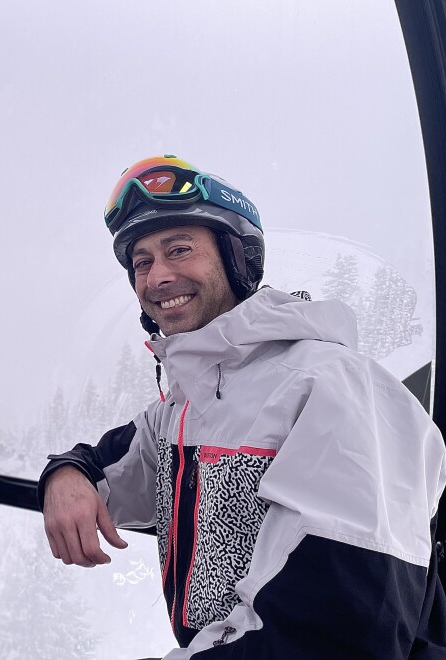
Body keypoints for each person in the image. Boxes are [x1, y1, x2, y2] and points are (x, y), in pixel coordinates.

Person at [39, 155, 446, 658]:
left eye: (179, 250)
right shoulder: (185, 406)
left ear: (237, 257)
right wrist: (66, 476)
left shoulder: (332, 388)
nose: (157, 276)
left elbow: (336, 634)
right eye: (141, 261)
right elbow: (104, 463)